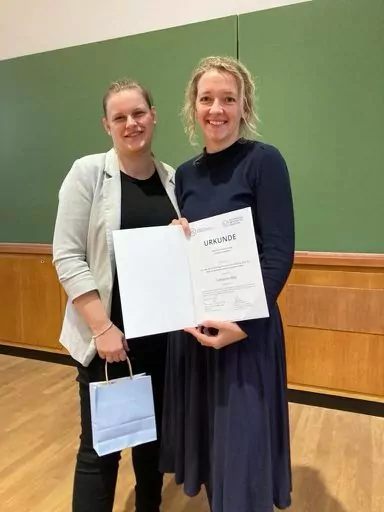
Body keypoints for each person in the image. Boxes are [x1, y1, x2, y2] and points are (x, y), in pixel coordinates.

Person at [160, 56, 295, 512]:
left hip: (246, 333)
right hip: (197, 332)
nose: (216, 108)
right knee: (214, 448)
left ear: (244, 106)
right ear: (192, 107)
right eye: (206, 98)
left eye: (228, 99)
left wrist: (244, 323)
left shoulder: (264, 161)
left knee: (244, 453)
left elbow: (278, 253)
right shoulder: (185, 174)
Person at [52, 78, 179, 512]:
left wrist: (184, 236)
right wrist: (102, 328)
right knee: (101, 450)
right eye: (120, 117)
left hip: (162, 341)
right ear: (106, 125)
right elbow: (67, 257)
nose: (131, 123)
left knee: (152, 448)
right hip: (108, 343)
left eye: (139, 113)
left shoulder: (173, 181)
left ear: (154, 115)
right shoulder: (88, 173)